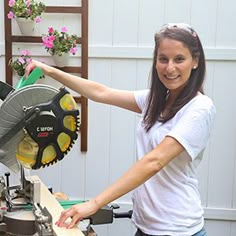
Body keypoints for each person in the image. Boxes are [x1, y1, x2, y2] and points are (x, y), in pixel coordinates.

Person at [25, 23, 216, 236]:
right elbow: (101, 92)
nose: (169, 68)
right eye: (163, 59)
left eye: (179, 59)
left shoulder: (200, 108)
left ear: (196, 61)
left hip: (179, 229)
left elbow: (155, 162)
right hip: (146, 228)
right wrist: (49, 70)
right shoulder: (155, 101)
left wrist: (95, 203)